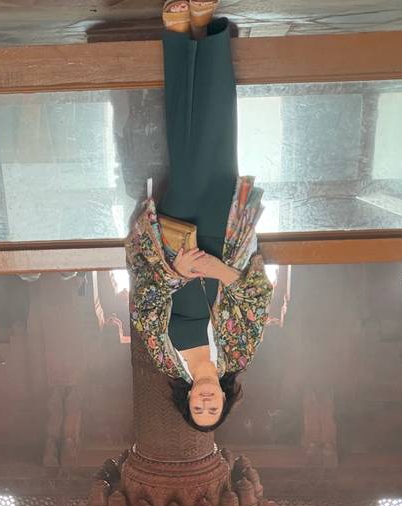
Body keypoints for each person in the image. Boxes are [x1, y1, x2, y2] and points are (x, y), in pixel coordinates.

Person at [125, 0, 277, 431]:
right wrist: (213, 267)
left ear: (189, 399)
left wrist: (175, 273)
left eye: (199, 408)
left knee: (189, 160)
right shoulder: (239, 354)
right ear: (224, 400)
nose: (206, 402)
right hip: (223, 242)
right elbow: (257, 297)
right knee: (217, 146)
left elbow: (144, 308)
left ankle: (191, 36)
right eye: (214, 409)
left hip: (175, 245)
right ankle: (197, 34)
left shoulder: (165, 359)